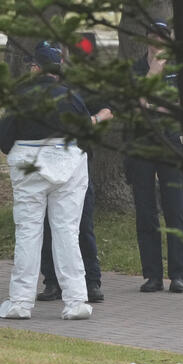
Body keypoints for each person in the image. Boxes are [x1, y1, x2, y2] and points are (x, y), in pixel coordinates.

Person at [0, 43, 93, 321]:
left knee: (27, 232)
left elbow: (4, 139)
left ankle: (20, 302)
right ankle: (76, 301)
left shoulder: (20, 96)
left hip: (29, 165)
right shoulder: (72, 96)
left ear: (36, 68)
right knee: (66, 232)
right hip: (69, 163)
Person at [34, 42, 113, 304]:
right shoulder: (33, 91)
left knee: (81, 224)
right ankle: (52, 281)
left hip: (77, 164)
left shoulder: (80, 87)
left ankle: (91, 281)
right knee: (47, 225)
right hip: (45, 162)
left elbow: (106, 110)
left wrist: (93, 120)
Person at [126, 20, 183, 294]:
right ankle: (152, 275)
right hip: (141, 146)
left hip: (171, 145)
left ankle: (178, 275)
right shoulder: (137, 69)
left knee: (175, 210)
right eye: (154, 36)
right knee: (145, 212)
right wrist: (152, 74)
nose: (158, 42)